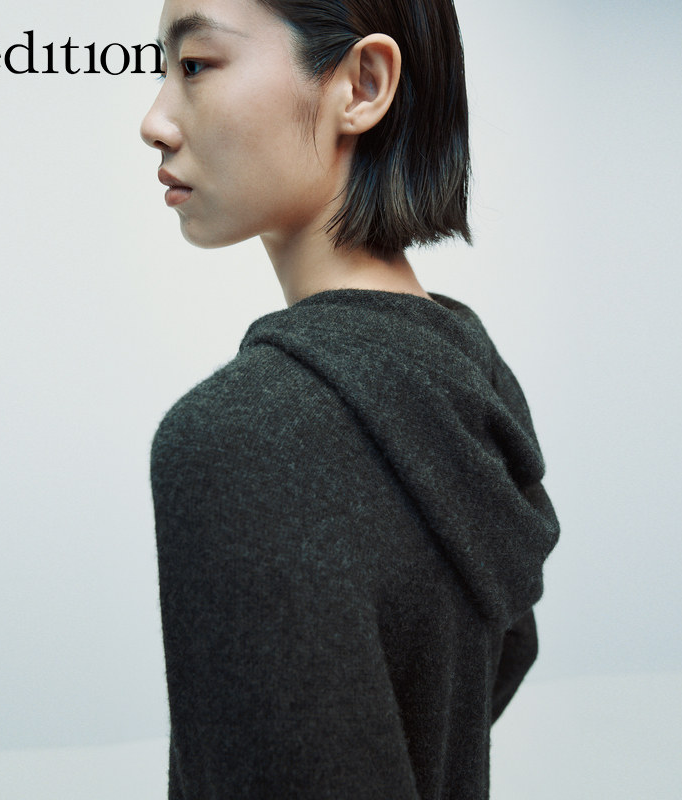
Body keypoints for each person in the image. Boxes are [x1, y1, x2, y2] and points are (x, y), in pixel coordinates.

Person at [140, 0, 560, 797]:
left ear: (362, 84)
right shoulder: (469, 375)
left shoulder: (238, 441)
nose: (154, 122)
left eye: (194, 65)